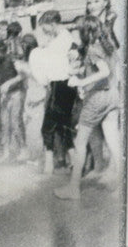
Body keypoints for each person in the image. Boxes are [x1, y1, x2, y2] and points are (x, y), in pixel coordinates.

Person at [54, 16, 121, 200]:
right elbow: (110, 71)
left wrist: (81, 82)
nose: (76, 33)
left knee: (80, 143)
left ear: (85, 31)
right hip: (112, 95)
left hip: (97, 98)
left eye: (78, 30)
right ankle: (124, 182)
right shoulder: (107, 45)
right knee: (113, 139)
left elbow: (103, 71)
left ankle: (73, 188)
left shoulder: (92, 49)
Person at [31, 10, 78, 174]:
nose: (45, 33)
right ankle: (73, 160)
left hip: (60, 84)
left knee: (48, 126)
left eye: (46, 29)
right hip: (65, 86)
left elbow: (50, 63)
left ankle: (49, 165)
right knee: (62, 125)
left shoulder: (62, 40)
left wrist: (43, 48)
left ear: (52, 25)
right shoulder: (64, 38)